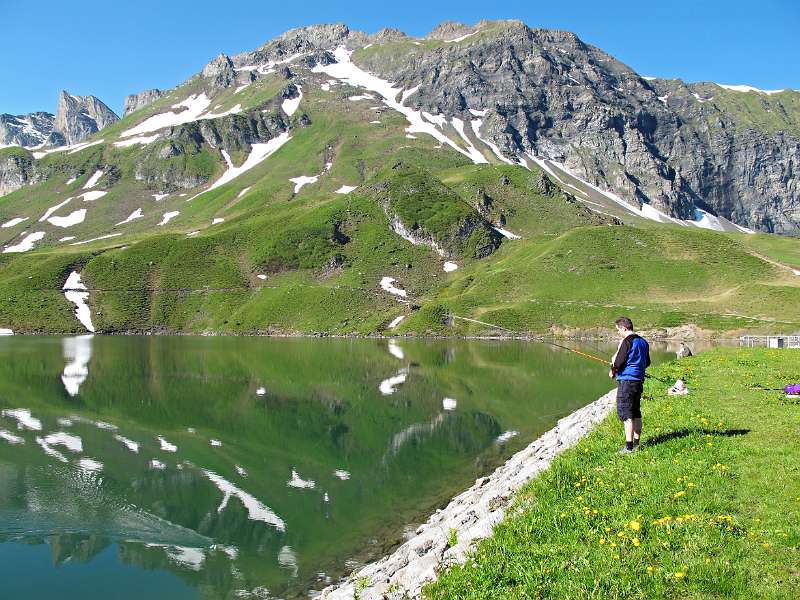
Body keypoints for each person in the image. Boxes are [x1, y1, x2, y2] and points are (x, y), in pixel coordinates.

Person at [609, 317, 651, 454]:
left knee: (626, 414)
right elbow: (648, 362)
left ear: (624, 328)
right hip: (638, 381)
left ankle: (629, 448)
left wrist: (613, 370)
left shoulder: (627, 341)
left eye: (618, 330)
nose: (618, 333)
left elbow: (619, 362)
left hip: (626, 381)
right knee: (636, 412)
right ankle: (637, 443)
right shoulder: (643, 342)